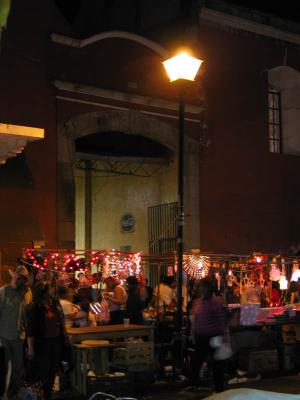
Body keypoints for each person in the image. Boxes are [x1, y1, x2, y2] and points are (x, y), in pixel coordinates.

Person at [25, 282, 69, 400]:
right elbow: (30, 330)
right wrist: (30, 348)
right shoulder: (35, 308)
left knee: (53, 368)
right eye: (48, 290)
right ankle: (42, 394)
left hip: (56, 341)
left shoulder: (55, 303)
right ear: (42, 293)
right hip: (43, 343)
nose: (50, 292)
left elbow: (61, 321)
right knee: (43, 370)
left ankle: (48, 394)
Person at [190, 278, 228, 392]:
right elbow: (195, 320)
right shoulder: (198, 302)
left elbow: (221, 319)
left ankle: (218, 387)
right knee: (197, 361)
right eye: (200, 287)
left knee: (217, 364)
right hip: (201, 337)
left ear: (208, 289)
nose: (201, 289)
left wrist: (223, 334)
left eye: (203, 287)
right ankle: (195, 384)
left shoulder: (215, 303)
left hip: (213, 336)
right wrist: (193, 334)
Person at [0, 265, 32, 399]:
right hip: (4, 334)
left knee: (18, 366)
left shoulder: (27, 292)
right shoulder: (3, 291)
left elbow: (27, 314)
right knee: (3, 367)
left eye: (21, 278)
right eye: (17, 277)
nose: (18, 280)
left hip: (19, 335)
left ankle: (12, 393)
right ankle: (2, 393)